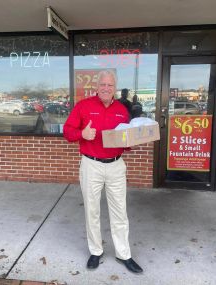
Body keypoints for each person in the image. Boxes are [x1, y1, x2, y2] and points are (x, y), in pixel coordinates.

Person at [63, 70, 143, 274]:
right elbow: (67, 131)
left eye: (110, 85)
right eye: (103, 84)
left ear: (115, 88)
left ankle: (123, 254)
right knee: (92, 210)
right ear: (97, 87)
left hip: (116, 165)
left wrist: (131, 141)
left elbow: (125, 143)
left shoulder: (122, 110)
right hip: (92, 165)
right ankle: (95, 251)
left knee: (120, 211)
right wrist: (82, 133)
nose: (106, 88)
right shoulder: (84, 106)